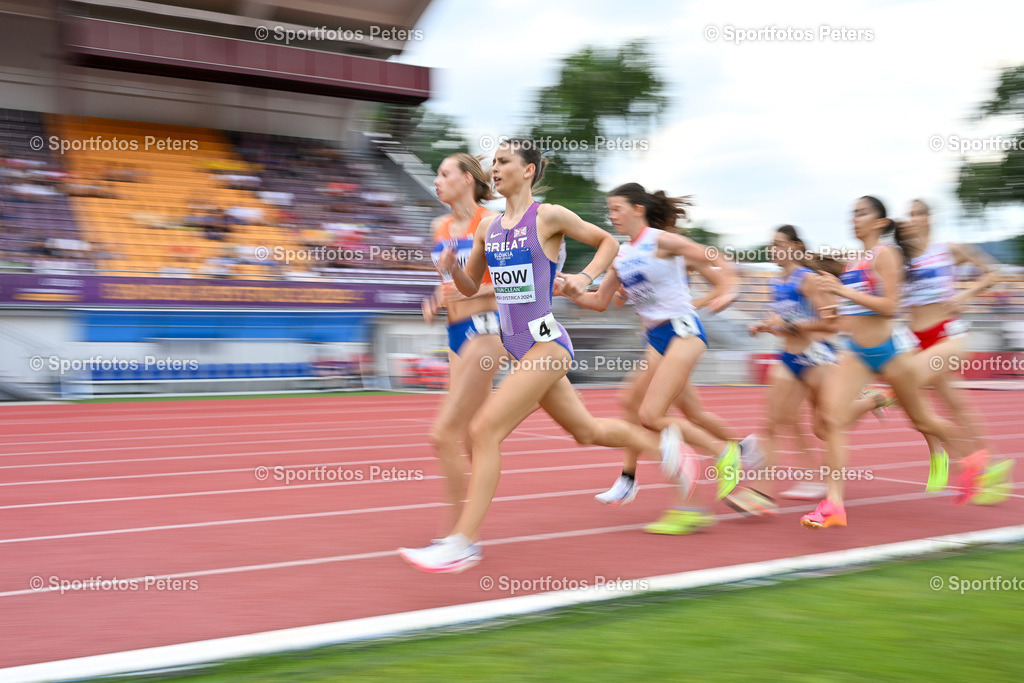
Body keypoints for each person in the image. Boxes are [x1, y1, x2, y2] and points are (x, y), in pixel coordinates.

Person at [399, 139, 687, 572]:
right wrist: (451, 269)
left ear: (528, 170)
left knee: (483, 431)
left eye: (504, 162)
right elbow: (469, 286)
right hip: (518, 349)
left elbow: (606, 241)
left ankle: (463, 542)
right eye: (493, 162)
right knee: (586, 431)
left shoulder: (547, 216)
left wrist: (584, 279)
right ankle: (666, 446)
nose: (494, 169)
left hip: (547, 345)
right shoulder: (488, 228)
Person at [558, 182, 755, 534]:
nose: (611, 215)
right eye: (609, 209)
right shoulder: (619, 255)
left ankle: (724, 453)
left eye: (617, 208)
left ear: (638, 210)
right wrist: (570, 290)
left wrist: (730, 289)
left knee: (652, 414)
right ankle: (654, 482)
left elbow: (713, 258)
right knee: (635, 405)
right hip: (656, 339)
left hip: (684, 333)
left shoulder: (659, 241)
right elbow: (599, 302)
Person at [809, 196, 974, 529]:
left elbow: (889, 306)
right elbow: (860, 307)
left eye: (861, 213)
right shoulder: (855, 260)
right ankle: (833, 504)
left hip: (891, 352)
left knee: (923, 421)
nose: (853, 218)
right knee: (831, 420)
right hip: (856, 353)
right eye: (851, 213)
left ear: (880, 222)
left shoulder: (886, 255)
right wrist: (839, 310)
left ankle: (970, 461)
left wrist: (843, 294)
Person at [749, 227, 892, 501]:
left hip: (818, 360)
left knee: (824, 428)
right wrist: (766, 326)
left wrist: (792, 324)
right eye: (771, 244)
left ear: (795, 246)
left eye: (778, 244)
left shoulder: (808, 280)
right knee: (773, 424)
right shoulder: (775, 283)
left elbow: (832, 325)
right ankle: (762, 493)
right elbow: (783, 324)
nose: (772, 250)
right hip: (789, 360)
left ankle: (873, 400)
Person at [898, 199, 1013, 503]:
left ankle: (956, 459)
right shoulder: (903, 260)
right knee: (953, 406)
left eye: (917, 213)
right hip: (915, 338)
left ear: (929, 218)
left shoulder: (947, 250)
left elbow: (993, 273)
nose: (911, 219)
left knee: (907, 388)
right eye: (908, 214)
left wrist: (968, 293)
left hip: (946, 334)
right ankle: (991, 465)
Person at [423, 154, 504, 528]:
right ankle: (470, 524)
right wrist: (438, 299)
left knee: (444, 434)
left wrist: (468, 295)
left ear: (468, 180)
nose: (437, 180)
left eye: (444, 174)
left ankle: (459, 534)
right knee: (474, 438)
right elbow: (449, 281)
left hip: (485, 329)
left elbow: (510, 288)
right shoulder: (439, 226)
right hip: (455, 334)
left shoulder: (490, 223)